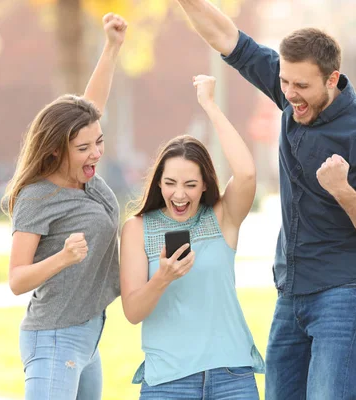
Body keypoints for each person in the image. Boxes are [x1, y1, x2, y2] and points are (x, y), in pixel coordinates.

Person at [175, 1, 356, 399]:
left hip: (343, 294)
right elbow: (227, 38)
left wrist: (343, 191)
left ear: (332, 79)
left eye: (301, 86)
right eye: (284, 83)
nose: (290, 95)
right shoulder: (292, 97)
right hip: (291, 292)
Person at [0, 13, 127, 400]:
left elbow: (90, 107)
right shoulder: (39, 196)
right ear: (57, 149)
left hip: (88, 334)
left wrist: (111, 46)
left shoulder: (84, 177)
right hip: (54, 339)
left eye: (99, 143)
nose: (96, 154)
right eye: (84, 148)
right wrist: (62, 258)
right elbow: (17, 280)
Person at [120, 74, 265, 399]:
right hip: (168, 382)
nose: (180, 194)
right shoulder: (137, 228)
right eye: (170, 183)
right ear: (158, 183)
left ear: (204, 185)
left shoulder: (222, 217)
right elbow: (132, 312)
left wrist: (209, 105)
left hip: (231, 376)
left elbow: (246, 173)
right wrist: (162, 278)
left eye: (190, 184)